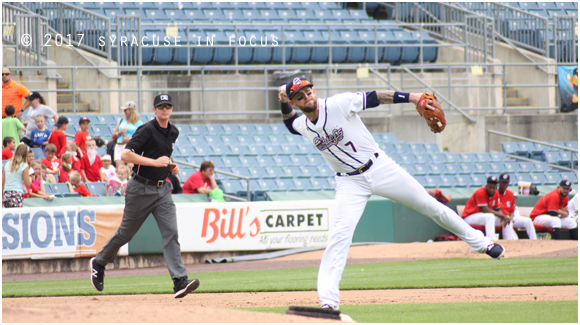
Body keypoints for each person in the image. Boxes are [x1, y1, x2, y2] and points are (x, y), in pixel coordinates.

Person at [277, 79, 504, 310]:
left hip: (380, 167)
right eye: (300, 96)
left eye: (308, 91)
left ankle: (482, 244)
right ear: (296, 102)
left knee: (430, 205)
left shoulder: (338, 104)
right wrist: (283, 103)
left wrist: (413, 97)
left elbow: (375, 96)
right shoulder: (304, 125)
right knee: (339, 237)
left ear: (314, 90)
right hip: (349, 183)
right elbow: (290, 123)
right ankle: (328, 303)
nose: (307, 97)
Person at [90, 93, 199, 299]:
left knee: (171, 234)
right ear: (155, 110)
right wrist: (155, 162)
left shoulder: (173, 131)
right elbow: (126, 154)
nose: (164, 109)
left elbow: (163, 155)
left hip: (162, 190)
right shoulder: (146, 129)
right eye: (161, 106)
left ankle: (179, 281)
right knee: (125, 234)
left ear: (172, 109)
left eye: (168, 106)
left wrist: (170, 165)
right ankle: (100, 262)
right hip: (140, 188)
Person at [462, 176, 518, 240]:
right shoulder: (480, 192)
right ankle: (491, 241)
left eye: (493, 188)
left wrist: (504, 217)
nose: (491, 189)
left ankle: (508, 241)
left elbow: (498, 209)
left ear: (496, 187)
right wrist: (502, 215)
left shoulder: (496, 193)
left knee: (506, 219)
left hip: (483, 217)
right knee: (490, 216)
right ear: (486, 186)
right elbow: (485, 210)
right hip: (469, 217)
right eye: (490, 187)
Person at [497, 173, 537, 240]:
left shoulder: (510, 194)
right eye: (502, 182)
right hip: (500, 218)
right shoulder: (494, 193)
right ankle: (511, 242)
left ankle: (534, 240)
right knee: (508, 223)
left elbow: (512, 210)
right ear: (499, 182)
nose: (504, 184)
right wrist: (507, 218)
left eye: (506, 182)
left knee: (528, 221)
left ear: (508, 183)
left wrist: (511, 218)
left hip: (510, 217)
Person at [112, 101, 143, 167]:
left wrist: (130, 140)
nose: (124, 112)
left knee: (130, 167)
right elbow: (114, 135)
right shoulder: (122, 120)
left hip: (130, 146)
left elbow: (141, 138)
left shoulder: (139, 123)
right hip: (119, 145)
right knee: (120, 169)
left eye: (126, 110)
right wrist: (120, 132)